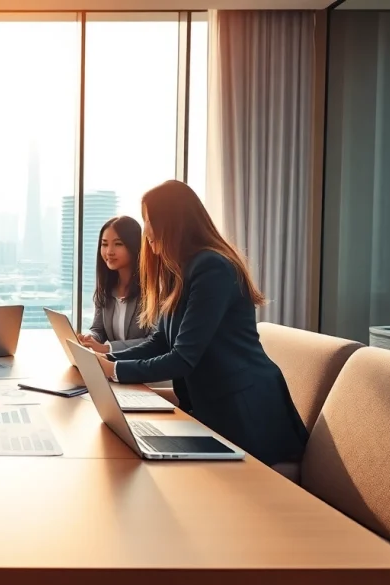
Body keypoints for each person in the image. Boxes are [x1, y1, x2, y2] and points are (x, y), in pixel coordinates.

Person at [94, 180, 308, 466]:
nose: (146, 232)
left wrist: (115, 369)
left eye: (150, 221)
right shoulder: (178, 269)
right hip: (211, 406)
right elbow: (160, 340)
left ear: (173, 222)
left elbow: (183, 358)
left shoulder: (212, 267)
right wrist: (106, 358)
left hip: (244, 414)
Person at [77, 215, 153, 353]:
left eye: (118, 244)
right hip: (114, 368)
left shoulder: (152, 290)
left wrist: (107, 348)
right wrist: (90, 338)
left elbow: (154, 340)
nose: (109, 252)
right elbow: (98, 329)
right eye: (104, 244)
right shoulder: (107, 287)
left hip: (144, 369)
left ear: (134, 246)